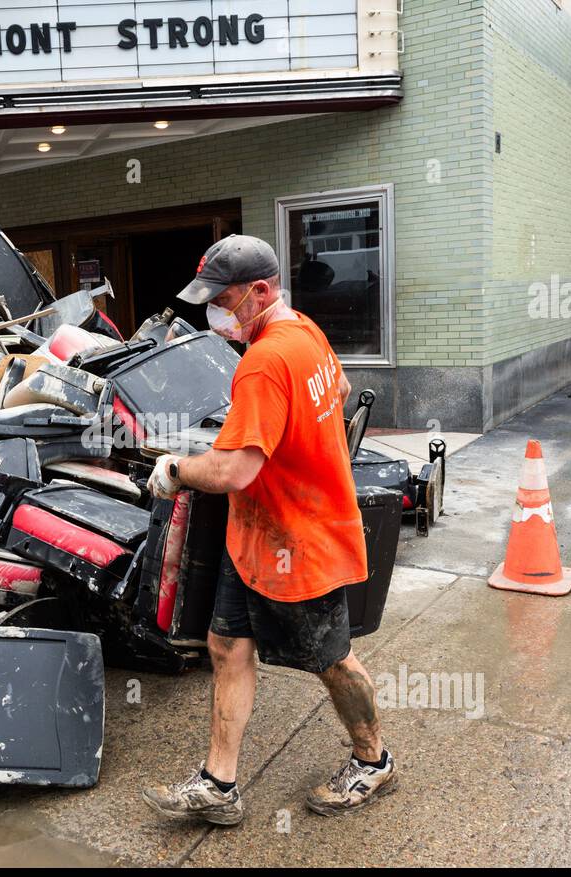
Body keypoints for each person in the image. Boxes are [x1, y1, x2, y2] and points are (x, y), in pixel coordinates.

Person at [140, 235, 396, 825]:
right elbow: (339, 391)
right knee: (227, 647)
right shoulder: (304, 330)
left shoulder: (264, 361)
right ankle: (218, 785)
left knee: (331, 659)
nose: (215, 313)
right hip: (255, 537)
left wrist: (176, 470)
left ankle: (373, 760)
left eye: (222, 300)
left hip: (299, 541)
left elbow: (233, 468)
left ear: (259, 291)